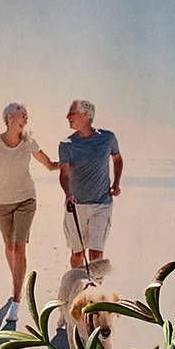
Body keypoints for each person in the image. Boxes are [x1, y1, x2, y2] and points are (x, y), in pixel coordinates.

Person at [0, 103, 58, 320]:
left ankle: (17, 301)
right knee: (9, 247)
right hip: (0, 203)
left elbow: (49, 164)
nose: (26, 120)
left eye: (27, 116)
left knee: (19, 249)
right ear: (9, 118)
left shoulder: (29, 143)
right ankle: (17, 281)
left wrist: (71, 163)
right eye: (23, 116)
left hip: (26, 201)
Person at [57, 99, 122, 266]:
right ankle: (78, 282)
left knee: (96, 255)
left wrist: (116, 183)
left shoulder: (107, 138)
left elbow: (117, 159)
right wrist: (68, 194)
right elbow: (64, 174)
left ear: (85, 115)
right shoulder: (66, 144)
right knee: (77, 254)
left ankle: (96, 284)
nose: (67, 117)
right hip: (75, 205)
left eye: (72, 113)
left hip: (101, 204)